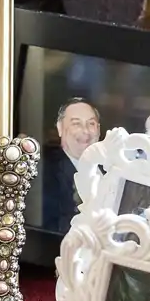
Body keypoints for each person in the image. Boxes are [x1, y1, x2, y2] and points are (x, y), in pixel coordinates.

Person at [41, 96, 103, 232]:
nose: (85, 131)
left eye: (91, 124)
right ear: (60, 128)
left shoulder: (110, 167)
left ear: (98, 129)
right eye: (76, 124)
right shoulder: (46, 172)